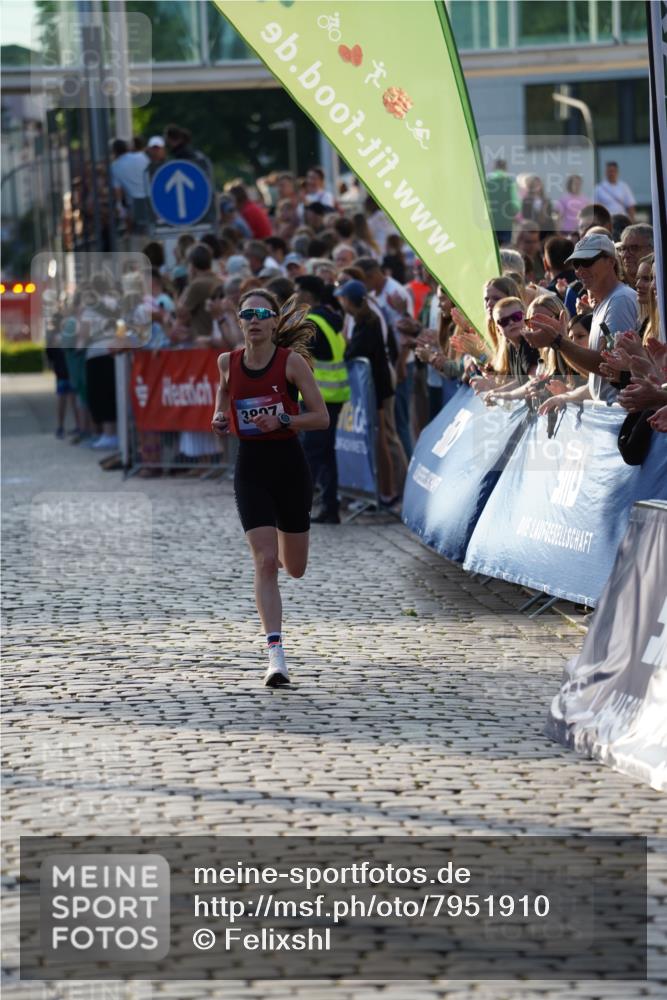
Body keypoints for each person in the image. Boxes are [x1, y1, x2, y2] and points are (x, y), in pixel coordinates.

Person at [211, 290, 329, 687]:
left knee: (293, 568)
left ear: (275, 322)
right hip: (251, 467)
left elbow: (321, 418)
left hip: (290, 467)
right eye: (248, 313)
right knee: (264, 560)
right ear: (240, 321)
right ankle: (275, 656)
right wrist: (218, 416)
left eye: (263, 313)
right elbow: (224, 392)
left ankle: (282, 545)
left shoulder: (290, 363)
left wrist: (284, 420)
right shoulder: (227, 361)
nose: (255, 319)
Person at [525, 231, 638, 405]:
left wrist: (558, 341)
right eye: (576, 264)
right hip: (610, 414)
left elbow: (608, 367)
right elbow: (597, 376)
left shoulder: (620, 300)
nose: (579, 270)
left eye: (587, 262)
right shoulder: (607, 302)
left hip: (619, 414)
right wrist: (565, 397)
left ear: (610, 261)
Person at [334, 279, 400, 503]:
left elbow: (353, 352)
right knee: (376, 440)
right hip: (371, 388)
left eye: (342, 298)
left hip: (377, 390)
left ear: (349, 301)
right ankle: (378, 491)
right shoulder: (360, 319)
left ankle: (388, 491)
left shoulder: (369, 321)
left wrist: (346, 341)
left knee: (381, 440)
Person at [294, 275, 350, 524]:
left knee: (311, 454)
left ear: (308, 295)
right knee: (325, 454)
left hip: (318, 397)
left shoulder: (311, 323)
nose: (295, 297)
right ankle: (330, 507)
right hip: (333, 395)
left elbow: (299, 359)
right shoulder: (329, 318)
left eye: (298, 292)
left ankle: (297, 507)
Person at [486, 158, 519, 245]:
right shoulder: (510, 181)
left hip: (491, 220)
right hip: (506, 220)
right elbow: (515, 204)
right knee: (505, 246)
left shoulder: (487, 181)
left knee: (492, 245)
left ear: (494, 167)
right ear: (505, 168)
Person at [520, 174, 555, 239]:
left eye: (538, 184)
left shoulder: (546, 200)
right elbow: (525, 216)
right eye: (534, 185)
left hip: (545, 229)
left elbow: (549, 216)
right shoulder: (526, 200)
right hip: (532, 230)